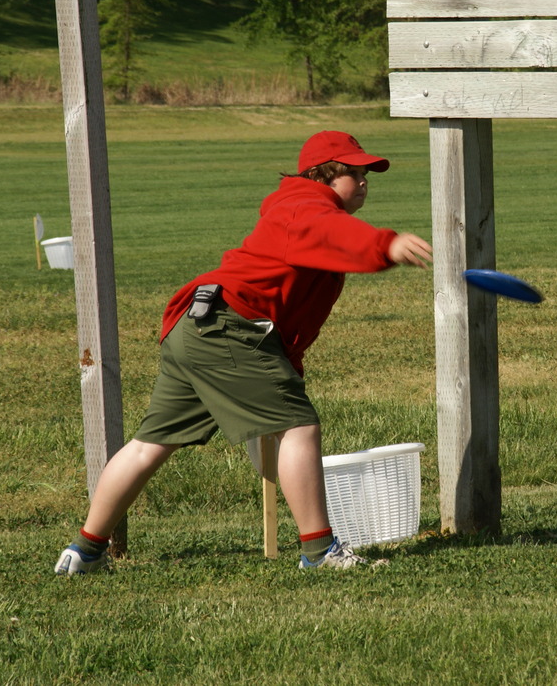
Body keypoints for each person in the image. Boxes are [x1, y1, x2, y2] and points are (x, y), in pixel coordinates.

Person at [54, 130, 432, 573]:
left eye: (367, 174)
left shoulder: (297, 208)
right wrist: (385, 245)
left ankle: (84, 552)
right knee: (299, 427)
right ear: (323, 175)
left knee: (149, 444)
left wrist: (286, 367)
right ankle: (319, 553)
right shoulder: (305, 205)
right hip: (228, 328)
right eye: (354, 172)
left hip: (197, 324)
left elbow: (293, 315)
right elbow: (334, 232)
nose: (364, 181)